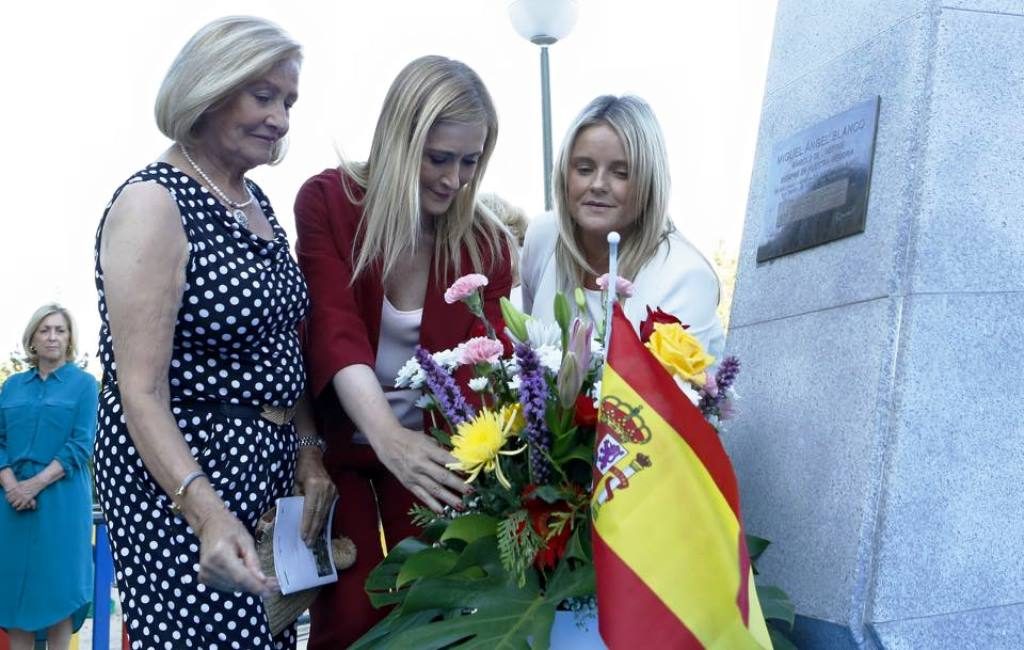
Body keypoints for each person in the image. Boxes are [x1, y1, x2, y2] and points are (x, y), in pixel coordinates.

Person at [92, 16, 334, 649]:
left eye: (288, 102)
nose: (280, 118)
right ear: (209, 86)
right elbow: (136, 391)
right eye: (263, 96)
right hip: (181, 487)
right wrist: (204, 511)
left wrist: (308, 452)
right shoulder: (153, 202)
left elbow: (284, 347)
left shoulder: (256, 202)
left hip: (263, 478)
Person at [294, 55, 516, 648]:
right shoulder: (329, 204)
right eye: (438, 158)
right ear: (398, 141)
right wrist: (390, 442)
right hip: (344, 450)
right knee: (353, 612)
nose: (453, 180)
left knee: (439, 611)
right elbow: (334, 330)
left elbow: (487, 375)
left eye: (470, 162)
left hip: (439, 462)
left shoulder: (487, 245)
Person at [521, 95, 726, 359]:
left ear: (649, 180)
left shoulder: (686, 276)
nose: (598, 184)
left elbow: (669, 396)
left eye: (621, 173)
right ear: (564, 173)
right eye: (584, 169)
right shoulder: (544, 237)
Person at [0, 305, 97, 650]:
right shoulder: (11, 387)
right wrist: (12, 484)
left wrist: (34, 484)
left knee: (59, 590)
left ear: (69, 338)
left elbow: (80, 444)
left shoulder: (85, 385)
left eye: (59, 330)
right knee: (14, 593)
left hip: (62, 498)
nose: (52, 337)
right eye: (45, 330)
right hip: (12, 503)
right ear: (33, 338)